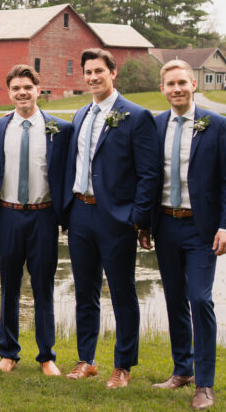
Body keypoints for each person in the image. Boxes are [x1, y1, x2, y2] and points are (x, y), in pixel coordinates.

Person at [145, 59, 226, 410]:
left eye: (182, 82)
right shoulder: (154, 125)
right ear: (163, 89)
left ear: (194, 84)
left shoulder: (216, 125)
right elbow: (148, 178)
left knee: (200, 298)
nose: (177, 89)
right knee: (174, 299)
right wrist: (144, 225)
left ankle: (205, 384)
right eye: (170, 84)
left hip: (203, 228)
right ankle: (181, 370)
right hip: (166, 225)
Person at [64, 48, 160, 388]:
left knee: (122, 291)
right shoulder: (80, 115)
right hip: (79, 213)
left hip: (116, 218)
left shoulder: (135, 116)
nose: (92, 77)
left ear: (112, 73)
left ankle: (123, 365)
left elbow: (149, 174)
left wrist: (138, 218)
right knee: (84, 291)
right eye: (88, 72)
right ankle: (86, 360)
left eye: (99, 71)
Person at [0, 64, 73, 376]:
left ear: (39, 90)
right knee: (8, 285)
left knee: (43, 287)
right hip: (7, 215)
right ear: (9, 92)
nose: (21, 92)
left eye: (27, 87)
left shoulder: (60, 129)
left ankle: (47, 356)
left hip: (43, 217)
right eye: (15, 88)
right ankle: (8, 353)